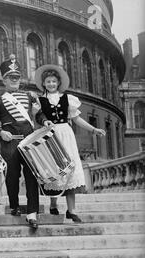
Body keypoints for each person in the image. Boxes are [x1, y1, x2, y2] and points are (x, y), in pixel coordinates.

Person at [33, 64, 106, 222]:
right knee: (54, 169)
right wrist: (44, 122)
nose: (51, 84)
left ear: (58, 83)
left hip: (66, 134)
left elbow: (77, 118)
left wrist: (94, 129)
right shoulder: (39, 100)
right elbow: (38, 116)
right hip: (50, 135)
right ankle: (53, 204)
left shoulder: (68, 99)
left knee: (69, 169)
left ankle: (71, 210)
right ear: (43, 84)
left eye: (54, 81)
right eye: (48, 81)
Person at [0, 54, 49, 230]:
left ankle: (32, 213)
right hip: (10, 144)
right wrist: (0, 132)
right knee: (12, 177)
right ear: (4, 80)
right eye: (10, 78)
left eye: (16, 77)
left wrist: (45, 120)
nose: (14, 80)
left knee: (32, 177)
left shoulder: (30, 97)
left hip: (29, 143)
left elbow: (38, 114)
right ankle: (14, 205)